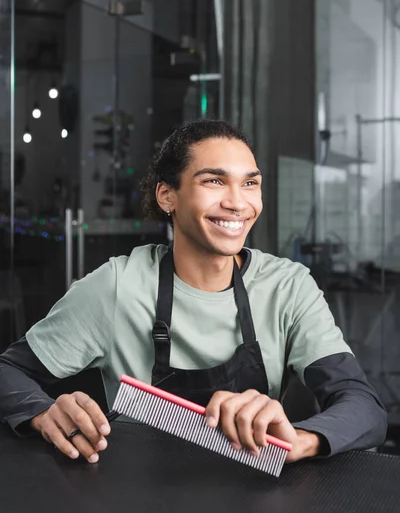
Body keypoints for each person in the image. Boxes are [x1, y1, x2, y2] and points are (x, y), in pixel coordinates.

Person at [0, 120, 387, 465]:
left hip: (256, 494)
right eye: (214, 181)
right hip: (136, 492)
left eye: (250, 183)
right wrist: (41, 411)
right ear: (167, 196)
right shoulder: (117, 286)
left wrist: (298, 442)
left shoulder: (287, 287)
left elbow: (362, 406)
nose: (238, 202)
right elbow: (9, 371)